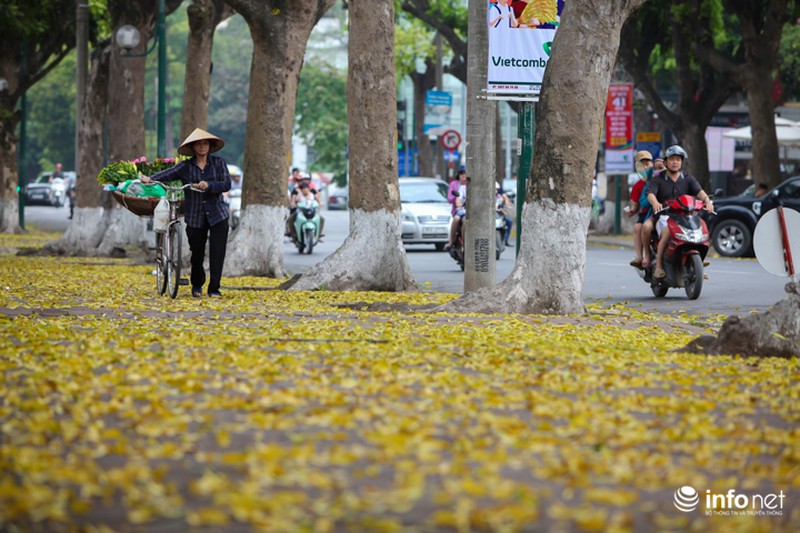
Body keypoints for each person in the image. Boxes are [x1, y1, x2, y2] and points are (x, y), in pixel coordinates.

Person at [140, 128, 231, 298]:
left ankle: (214, 288)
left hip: (218, 214)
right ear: (193, 147)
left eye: (205, 143)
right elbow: (168, 174)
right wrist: (151, 179)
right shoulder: (186, 166)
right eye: (199, 144)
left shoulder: (219, 163)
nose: (202, 147)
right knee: (196, 253)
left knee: (217, 253)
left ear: (210, 146)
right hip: (195, 216)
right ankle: (197, 284)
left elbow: (226, 184)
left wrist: (209, 185)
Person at [641, 145, 713, 279]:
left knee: (701, 229)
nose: (675, 162)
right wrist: (655, 203)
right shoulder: (658, 179)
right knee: (667, 232)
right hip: (664, 217)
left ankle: (698, 264)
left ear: (682, 162)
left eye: (678, 159)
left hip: (685, 217)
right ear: (666, 162)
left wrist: (707, 201)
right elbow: (650, 193)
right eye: (672, 159)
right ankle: (659, 266)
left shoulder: (688, 179)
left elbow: (700, 192)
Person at [627, 150, 654, 268]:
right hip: (646, 214)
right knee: (638, 227)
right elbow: (635, 205)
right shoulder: (638, 185)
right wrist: (631, 211)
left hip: (663, 211)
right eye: (641, 164)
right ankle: (640, 256)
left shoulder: (660, 179)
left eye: (647, 163)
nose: (645, 167)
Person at [446, 169, 469, 251]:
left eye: (465, 176)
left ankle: (466, 241)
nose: (464, 178)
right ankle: (451, 241)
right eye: (462, 176)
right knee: (456, 219)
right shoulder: (458, 186)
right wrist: (458, 202)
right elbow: (454, 198)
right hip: (460, 210)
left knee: (465, 221)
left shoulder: (474, 186)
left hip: (471, 211)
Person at [495, 181, 513, 246]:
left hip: (498, 216)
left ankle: (505, 239)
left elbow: (504, 199)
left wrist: (507, 202)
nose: (495, 191)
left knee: (508, 222)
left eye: (497, 189)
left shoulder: (499, 197)